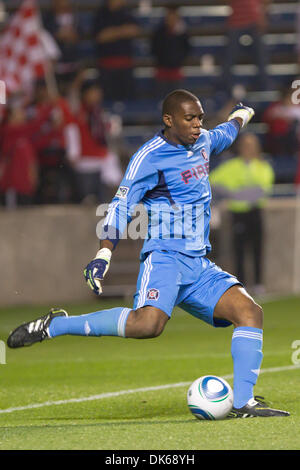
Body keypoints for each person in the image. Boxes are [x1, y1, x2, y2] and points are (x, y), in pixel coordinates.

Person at [7, 91, 289, 418]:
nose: (198, 125)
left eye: (199, 117)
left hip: (198, 265)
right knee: (148, 325)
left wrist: (243, 113)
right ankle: (57, 325)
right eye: (190, 119)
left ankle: (244, 403)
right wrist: (104, 254)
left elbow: (229, 129)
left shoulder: (204, 142)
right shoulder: (148, 157)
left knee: (250, 312)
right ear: (169, 120)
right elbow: (122, 206)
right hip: (165, 258)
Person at [210, 132, 275, 295]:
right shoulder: (232, 166)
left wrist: (236, 193)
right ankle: (241, 285)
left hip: (255, 212)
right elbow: (213, 182)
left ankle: (259, 284)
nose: (248, 148)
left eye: (251, 145)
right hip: (238, 213)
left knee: (257, 248)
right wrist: (236, 193)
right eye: (245, 145)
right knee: (238, 250)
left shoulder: (263, 166)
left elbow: (262, 190)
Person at [93, 0, 141, 102]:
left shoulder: (127, 13)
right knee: (107, 101)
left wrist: (112, 33)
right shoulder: (101, 13)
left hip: (125, 66)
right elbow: (101, 37)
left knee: (128, 101)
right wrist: (122, 31)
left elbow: (134, 30)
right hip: (106, 67)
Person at [223, 0, 271, 95]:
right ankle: (225, 85)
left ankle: (264, 84)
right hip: (236, 22)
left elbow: (266, 2)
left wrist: (262, 16)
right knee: (229, 56)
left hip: (254, 21)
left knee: (261, 56)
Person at [151, 6, 190, 99]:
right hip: (161, 72)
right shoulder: (159, 33)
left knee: (178, 102)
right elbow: (154, 50)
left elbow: (187, 49)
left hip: (176, 72)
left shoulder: (183, 34)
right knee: (161, 100)